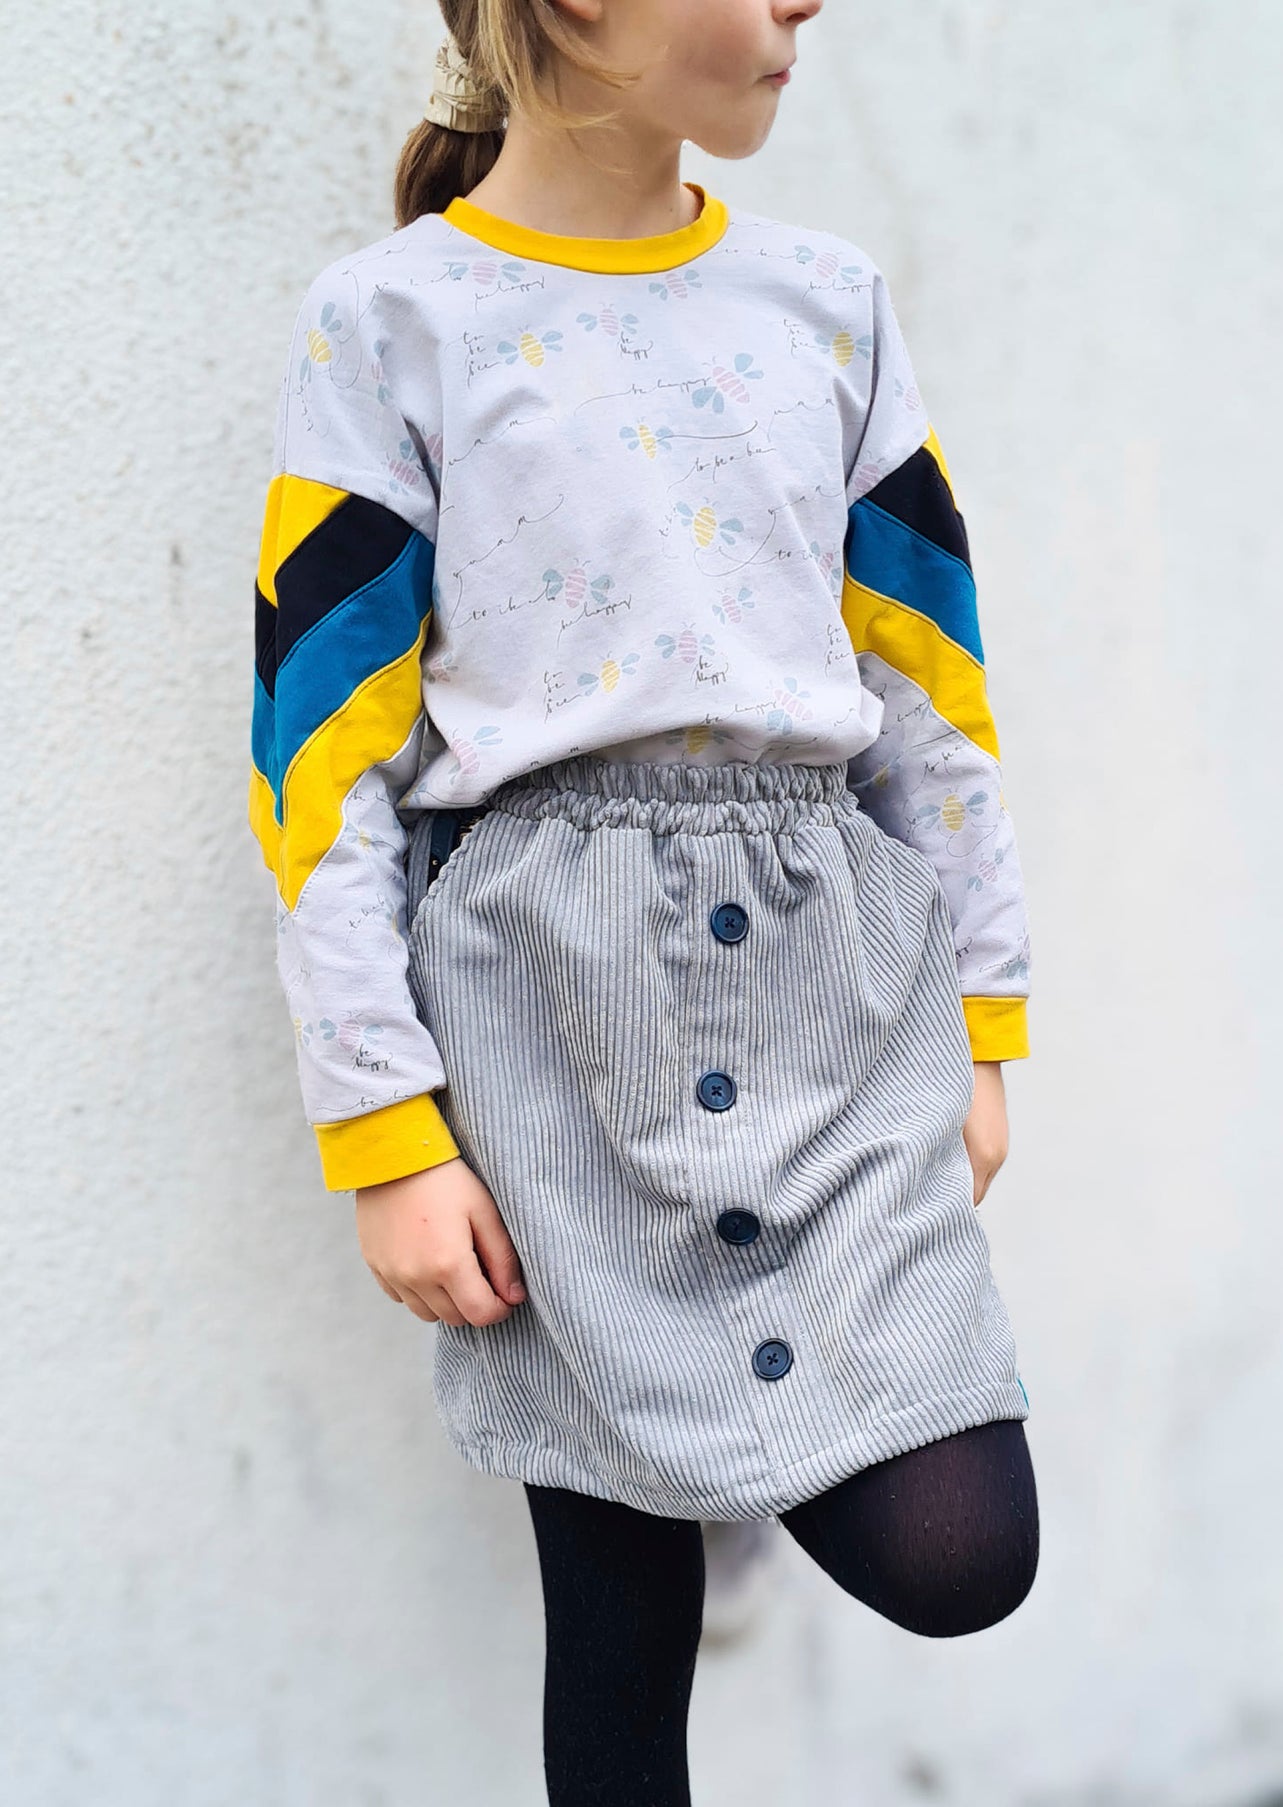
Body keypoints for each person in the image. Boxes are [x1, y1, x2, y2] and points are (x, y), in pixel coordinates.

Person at [247, 0, 1041, 1798]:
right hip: (544, 1014)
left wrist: (985, 1022)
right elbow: (321, 758)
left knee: (960, 1549)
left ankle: (740, 1454)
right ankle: (682, 1458)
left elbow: (932, 690)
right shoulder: (389, 324)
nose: (805, 6)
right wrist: (383, 1127)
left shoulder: (825, 304)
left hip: (833, 995)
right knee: (615, 1634)